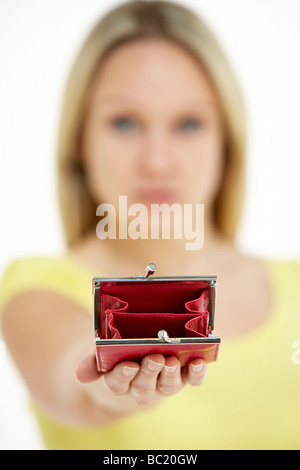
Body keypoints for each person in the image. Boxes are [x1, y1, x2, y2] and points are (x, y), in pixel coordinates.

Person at [0, 0, 299, 450]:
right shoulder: (35, 288)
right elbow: (72, 374)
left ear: (227, 142)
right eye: (124, 122)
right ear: (81, 139)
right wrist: (112, 383)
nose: (157, 162)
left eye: (189, 123)